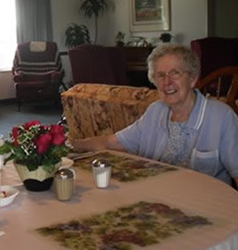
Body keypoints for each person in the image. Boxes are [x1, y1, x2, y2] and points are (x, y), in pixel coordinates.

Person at [71, 43, 238, 187]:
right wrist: (69, 144)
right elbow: (110, 142)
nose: (167, 82)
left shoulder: (221, 116)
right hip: (158, 199)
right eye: (160, 75)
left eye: (175, 73)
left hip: (206, 205)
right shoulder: (155, 111)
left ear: (193, 79)